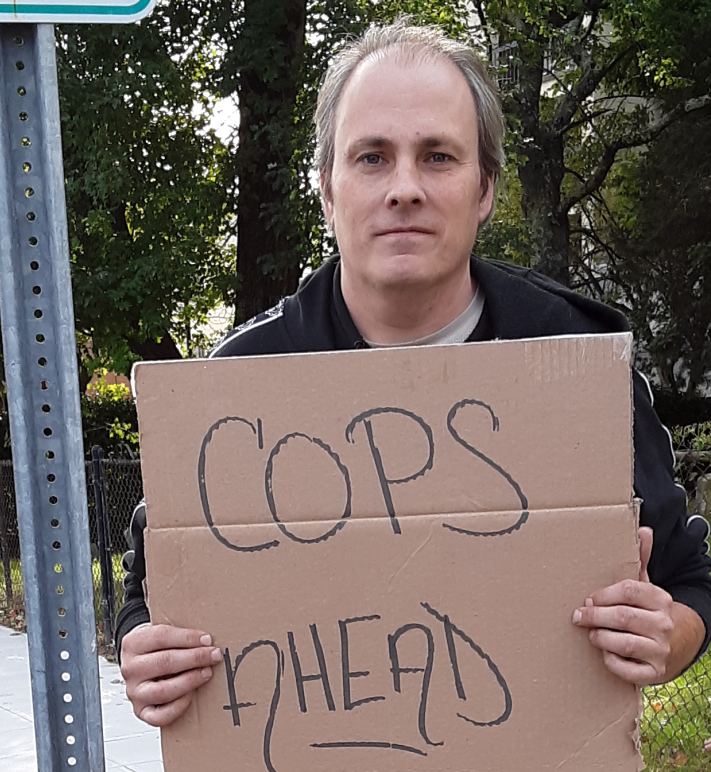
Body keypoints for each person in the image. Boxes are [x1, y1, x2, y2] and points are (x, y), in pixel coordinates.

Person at [114, 19, 711, 728]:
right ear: (327, 191)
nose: (403, 188)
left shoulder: (578, 364)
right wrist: (143, 654)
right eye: (370, 157)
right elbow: (146, 594)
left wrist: (665, 637)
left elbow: (688, 581)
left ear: (484, 188)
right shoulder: (236, 387)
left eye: (436, 157)